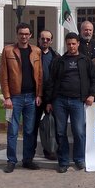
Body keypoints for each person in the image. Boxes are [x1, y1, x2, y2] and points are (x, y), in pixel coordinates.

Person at [45, 32, 95, 173]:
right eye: (69, 44)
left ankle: (79, 159)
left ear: (78, 44)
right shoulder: (59, 61)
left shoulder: (85, 61)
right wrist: (49, 101)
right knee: (60, 132)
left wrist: (92, 94)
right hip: (59, 101)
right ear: (66, 44)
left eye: (74, 43)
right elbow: (51, 81)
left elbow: (94, 79)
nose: (71, 46)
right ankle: (63, 161)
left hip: (77, 101)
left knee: (79, 131)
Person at [0, 22, 43, 173]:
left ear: (30, 35)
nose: (23, 36)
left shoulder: (36, 51)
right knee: (12, 131)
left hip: (31, 98)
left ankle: (27, 160)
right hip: (15, 98)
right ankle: (11, 160)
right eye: (21, 34)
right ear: (17, 34)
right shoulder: (8, 51)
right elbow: (3, 76)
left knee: (29, 131)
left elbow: (40, 75)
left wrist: (39, 94)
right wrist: (7, 97)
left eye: (26, 34)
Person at [33, 29, 60, 160]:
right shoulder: (32, 54)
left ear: (51, 41)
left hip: (50, 96)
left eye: (48, 39)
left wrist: (51, 99)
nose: (45, 41)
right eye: (42, 38)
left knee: (51, 125)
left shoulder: (56, 57)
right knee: (32, 125)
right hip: (34, 95)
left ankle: (50, 150)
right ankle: (30, 153)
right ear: (38, 39)